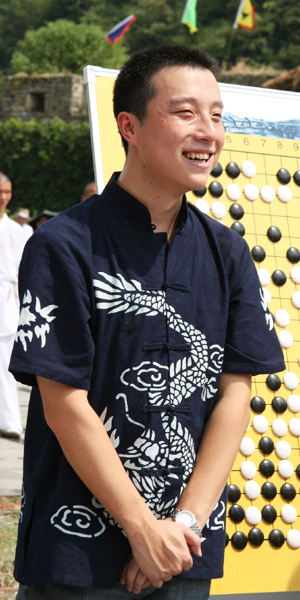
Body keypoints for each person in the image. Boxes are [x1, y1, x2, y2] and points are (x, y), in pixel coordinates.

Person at [10, 46, 285, 600]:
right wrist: (140, 528)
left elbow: (236, 392)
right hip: (77, 556)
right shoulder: (62, 244)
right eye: (185, 112)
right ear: (128, 126)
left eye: (217, 114)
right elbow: (65, 402)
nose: (208, 130)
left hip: (186, 551)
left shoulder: (228, 252)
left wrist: (183, 525)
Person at [0, 173, 25, 439]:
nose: (3, 197)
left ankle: (9, 421)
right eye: (0, 191)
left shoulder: (17, 231)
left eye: (7, 191)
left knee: (5, 367)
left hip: (6, 302)